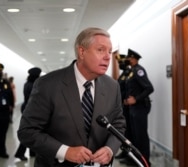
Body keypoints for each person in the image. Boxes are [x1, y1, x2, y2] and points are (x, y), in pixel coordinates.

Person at [17, 27, 126, 167]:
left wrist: (110, 149)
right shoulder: (47, 84)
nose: (107, 57)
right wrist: (65, 151)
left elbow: (118, 124)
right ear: (82, 52)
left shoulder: (112, 86)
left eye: (109, 51)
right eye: (100, 50)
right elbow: (27, 132)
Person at [122, 48, 154, 166]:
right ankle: (136, 159)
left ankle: (145, 162)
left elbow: (149, 88)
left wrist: (136, 99)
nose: (127, 60)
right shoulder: (132, 71)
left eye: (129, 58)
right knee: (134, 135)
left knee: (141, 136)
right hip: (133, 108)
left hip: (140, 107)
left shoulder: (139, 70)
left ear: (134, 58)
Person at [14, 67, 42, 161]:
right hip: (32, 111)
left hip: (27, 109)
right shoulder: (34, 85)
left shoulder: (28, 84)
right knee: (29, 133)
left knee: (32, 131)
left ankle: (32, 152)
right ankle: (20, 153)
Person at [114, 54, 132, 161]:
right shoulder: (124, 74)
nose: (120, 64)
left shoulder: (130, 73)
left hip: (129, 107)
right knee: (126, 132)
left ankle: (129, 155)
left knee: (130, 133)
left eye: (122, 62)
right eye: (119, 62)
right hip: (123, 106)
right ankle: (125, 153)